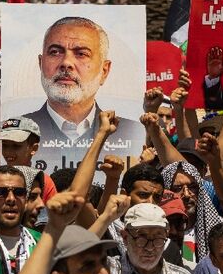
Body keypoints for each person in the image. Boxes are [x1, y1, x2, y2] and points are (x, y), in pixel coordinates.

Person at [23, 16, 142, 166]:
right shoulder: (13, 131)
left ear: (104, 71)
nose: (66, 63)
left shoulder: (133, 133)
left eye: (81, 54)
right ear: (41, 64)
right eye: (55, 52)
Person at [107, 203, 200, 274]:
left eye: (158, 238)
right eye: (142, 237)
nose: (150, 248)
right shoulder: (107, 272)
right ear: (125, 237)